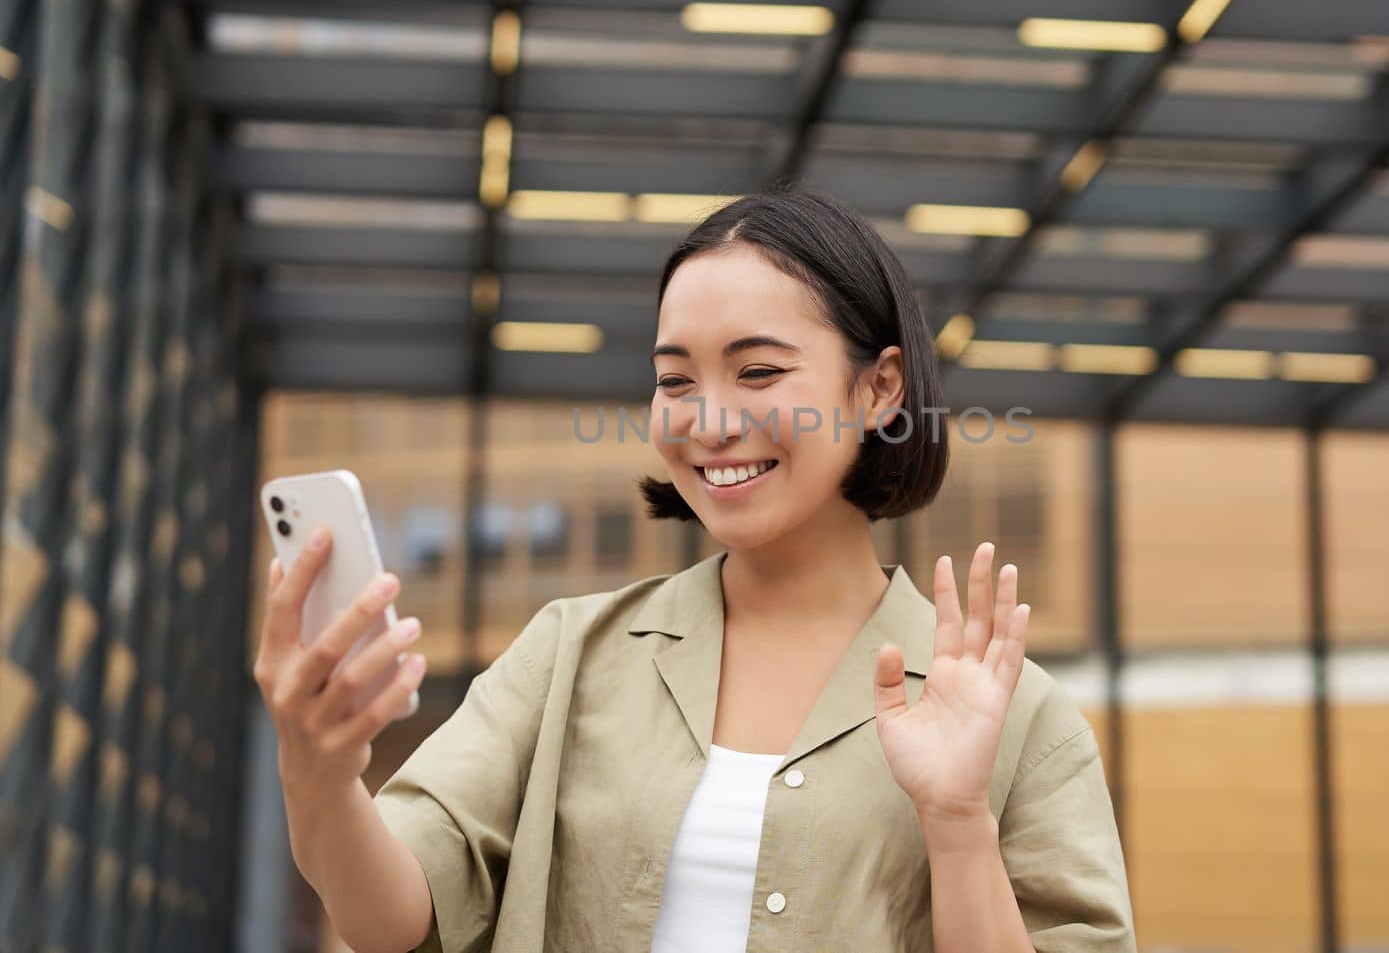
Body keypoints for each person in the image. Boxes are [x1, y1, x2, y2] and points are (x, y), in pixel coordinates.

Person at [253, 189, 1135, 953]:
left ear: (880, 389)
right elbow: (391, 921)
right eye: (675, 381)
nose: (707, 421)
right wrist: (319, 770)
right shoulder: (569, 655)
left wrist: (955, 824)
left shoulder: (1014, 715)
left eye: (757, 371)